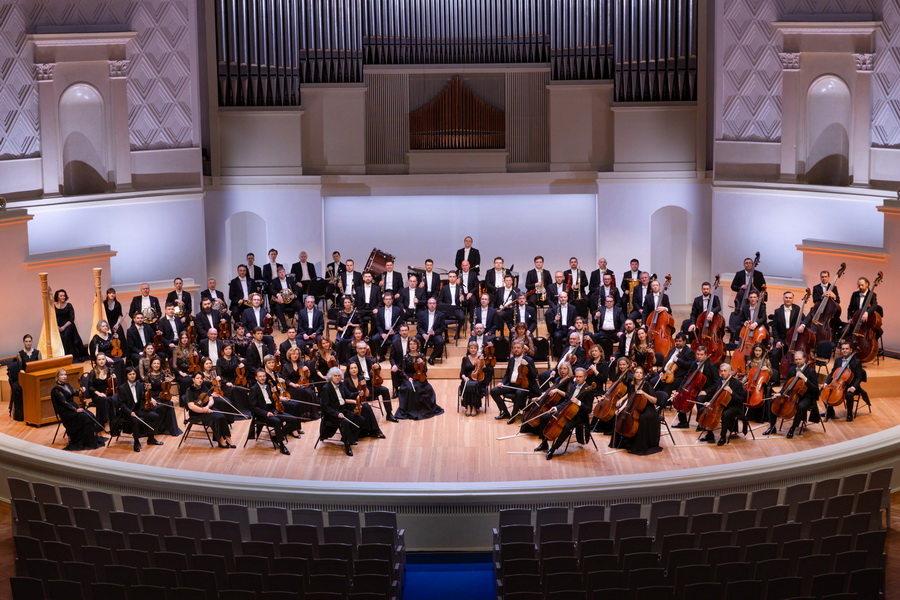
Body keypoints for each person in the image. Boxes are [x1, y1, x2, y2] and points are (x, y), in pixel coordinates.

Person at [534, 367, 596, 460]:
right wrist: (556, 407)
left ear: (585, 377)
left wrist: (578, 403)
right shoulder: (574, 386)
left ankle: (553, 449)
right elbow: (566, 401)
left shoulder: (589, 390)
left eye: (580, 377)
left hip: (579, 416)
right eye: (577, 376)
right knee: (544, 417)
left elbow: (588, 410)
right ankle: (544, 443)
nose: (578, 379)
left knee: (567, 426)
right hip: (566, 412)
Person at [762, 350, 820, 438]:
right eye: (796, 359)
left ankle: (793, 428)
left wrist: (805, 379)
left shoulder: (810, 371)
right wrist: (780, 393)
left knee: (800, 406)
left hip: (807, 396)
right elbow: (786, 384)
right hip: (792, 395)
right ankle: (772, 426)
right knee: (772, 401)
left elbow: (815, 389)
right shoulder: (792, 369)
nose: (798, 361)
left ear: (804, 359)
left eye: (800, 359)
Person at [609, 365, 663, 455]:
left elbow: (654, 400)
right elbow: (629, 399)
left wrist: (644, 393)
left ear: (643, 375)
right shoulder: (632, 384)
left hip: (648, 409)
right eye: (637, 372)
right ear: (634, 374)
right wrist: (621, 409)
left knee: (641, 418)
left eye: (640, 373)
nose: (638, 374)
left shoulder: (647, 385)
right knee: (620, 415)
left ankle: (639, 445)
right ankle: (624, 442)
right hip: (634, 407)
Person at [51, 368, 107, 451]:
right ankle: (82, 440)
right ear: (57, 377)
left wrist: (81, 390)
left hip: (73, 407)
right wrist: (76, 410)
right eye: (61, 375)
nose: (64, 376)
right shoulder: (56, 390)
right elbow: (64, 402)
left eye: (65, 374)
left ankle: (89, 439)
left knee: (90, 414)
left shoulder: (67, 385)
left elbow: (75, 393)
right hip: (66, 411)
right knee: (84, 417)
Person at [248, 369, 298, 455]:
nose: (262, 378)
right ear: (256, 378)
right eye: (260, 376)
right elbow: (252, 407)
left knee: (293, 419)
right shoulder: (253, 389)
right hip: (262, 414)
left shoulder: (268, 386)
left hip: (272, 410)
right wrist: (266, 413)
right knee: (277, 421)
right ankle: (282, 445)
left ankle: (277, 438)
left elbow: (272, 400)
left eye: (264, 376)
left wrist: (275, 394)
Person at [395, 338, 444, 420]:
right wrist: (408, 378)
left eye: (414, 344)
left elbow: (425, 370)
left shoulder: (422, 356)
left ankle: (424, 408)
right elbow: (403, 371)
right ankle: (412, 410)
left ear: (417, 345)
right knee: (411, 388)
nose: (412, 346)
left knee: (428, 388)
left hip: (420, 376)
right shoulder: (405, 357)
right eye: (411, 344)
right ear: (408, 346)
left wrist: (422, 363)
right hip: (409, 377)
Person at [319, 367, 364, 456]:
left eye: (339, 376)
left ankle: (347, 437)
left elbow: (348, 394)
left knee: (360, 420)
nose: (337, 377)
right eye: (335, 376)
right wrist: (337, 414)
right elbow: (325, 406)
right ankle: (347, 446)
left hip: (342, 409)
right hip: (332, 414)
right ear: (331, 377)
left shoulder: (341, 384)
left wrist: (357, 393)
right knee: (344, 422)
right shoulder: (326, 388)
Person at [670, 346, 719, 429]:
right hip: (694, 389)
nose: (699, 356)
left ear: (705, 355)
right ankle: (683, 422)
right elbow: (686, 377)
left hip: (706, 391)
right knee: (680, 397)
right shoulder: (694, 364)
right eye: (698, 354)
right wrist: (679, 390)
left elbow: (717, 383)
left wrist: (707, 391)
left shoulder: (712, 366)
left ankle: (701, 423)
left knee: (700, 399)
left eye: (701, 354)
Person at [346, 341, 396, 422]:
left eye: (364, 348)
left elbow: (378, 368)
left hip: (370, 384)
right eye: (360, 348)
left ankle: (389, 414)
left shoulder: (370, 358)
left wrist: (377, 366)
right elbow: (348, 375)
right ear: (357, 349)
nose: (363, 350)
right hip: (359, 386)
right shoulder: (351, 360)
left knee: (385, 390)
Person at [116, 367, 163, 452]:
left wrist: (150, 398)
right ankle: (136, 441)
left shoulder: (139, 384)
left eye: (134, 374)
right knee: (136, 421)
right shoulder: (122, 388)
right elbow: (121, 404)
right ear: (126, 376)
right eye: (130, 374)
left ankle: (151, 438)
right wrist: (130, 412)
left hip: (138, 410)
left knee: (155, 416)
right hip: (127, 412)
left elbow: (142, 396)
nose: (132, 376)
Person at [490, 340, 539, 422]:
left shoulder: (529, 360)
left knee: (519, 393)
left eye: (518, 348)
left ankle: (514, 415)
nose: (516, 349)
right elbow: (507, 375)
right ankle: (505, 412)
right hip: (512, 385)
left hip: (524, 386)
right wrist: (502, 382)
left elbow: (534, 375)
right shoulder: (511, 360)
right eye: (514, 348)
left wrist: (527, 365)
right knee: (493, 391)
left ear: (523, 349)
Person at [699, 363, 746, 446]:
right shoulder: (719, 381)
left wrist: (731, 392)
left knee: (725, 414)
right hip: (720, 404)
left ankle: (723, 437)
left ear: (730, 372)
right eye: (721, 371)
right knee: (703, 409)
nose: (723, 373)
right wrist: (710, 402)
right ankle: (709, 434)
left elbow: (741, 400)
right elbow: (715, 394)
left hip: (734, 406)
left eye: (725, 371)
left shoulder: (737, 383)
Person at [185, 371, 234, 448]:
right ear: (193, 379)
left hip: (207, 408)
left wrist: (207, 407)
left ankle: (228, 438)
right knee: (216, 418)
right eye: (197, 378)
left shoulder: (204, 387)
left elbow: (211, 400)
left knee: (222, 416)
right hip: (197, 413)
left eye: (201, 378)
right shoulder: (189, 390)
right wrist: (203, 410)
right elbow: (191, 406)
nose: (200, 380)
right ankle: (220, 440)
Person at [823, 340, 868, 422]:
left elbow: (859, 377)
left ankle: (849, 414)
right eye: (843, 349)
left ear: (851, 350)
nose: (844, 350)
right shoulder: (838, 360)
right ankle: (830, 412)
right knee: (823, 391)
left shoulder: (856, 362)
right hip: (838, 384)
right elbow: (832, 373)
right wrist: (826, 383)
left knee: (849, 394)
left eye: (847, 349)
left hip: (851, 385)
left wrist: (853, 387)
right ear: (841, 350)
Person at [342, 362, 387, 437]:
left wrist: (365, 386)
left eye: (355, 367)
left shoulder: (361, 378)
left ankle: (370, 430)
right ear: (349, 370)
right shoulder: (346, 381)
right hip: (351, 403)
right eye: (351, 368)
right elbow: (344, 398)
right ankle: (375, 430)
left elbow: (367, 394)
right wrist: (355, 402)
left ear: (358, 369)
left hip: (360, 402)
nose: (354, 370)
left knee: (366, 407)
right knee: (366, 407)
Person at [143, 356, 182, 436]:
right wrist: (151, 399)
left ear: (160, 365)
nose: (156, 365)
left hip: (162, 395)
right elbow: (145, 390)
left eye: (158, 363)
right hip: (151, 396)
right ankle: (156, 429)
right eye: (154, 363)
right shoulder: (147, 376)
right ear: (151, 365)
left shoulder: (164, 374)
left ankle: (168, 429)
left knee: (169, 404)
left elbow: (166, 388)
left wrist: (168, 382)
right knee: (157, 407)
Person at [10, 335, 40, 421]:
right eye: (26, 341)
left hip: (35, 377)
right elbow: (21, 369)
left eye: (29, 341)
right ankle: (23, 415)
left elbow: (40, 365)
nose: (28, 343)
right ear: (23, 342)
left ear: (32, 342)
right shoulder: (20, 354)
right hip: (25, 378)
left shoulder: (37, 352)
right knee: (19, 389)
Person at [53, 289, 89, 361]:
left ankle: (69, 355)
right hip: (57, 326)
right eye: (61, 296)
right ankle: (60, 356)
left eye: (64, 296)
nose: (63, 297)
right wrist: (57, 327)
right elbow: (52, 318)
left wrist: (63, 327)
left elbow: (71, 319)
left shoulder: (69, 305)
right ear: (57, 297)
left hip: (68, 325)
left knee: (65, 335)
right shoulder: (53, 306)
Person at [86, 353, 118, 427]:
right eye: (99, 359)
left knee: (112, 398)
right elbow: (90, 387)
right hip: (97, 395)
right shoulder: (93, 372)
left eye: (103, 359)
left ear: (105, 360)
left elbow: (113, 384)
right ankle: (106, 422)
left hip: (107, 393)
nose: (101, 361)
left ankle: (114, 422)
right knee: (104, 399)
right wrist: (99, 393)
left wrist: (114, 378)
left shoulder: (109, 370)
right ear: (96, 361)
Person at [270, 266, 302, 332]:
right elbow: (271, 289)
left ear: (285, 272)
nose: (282, 273)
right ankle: (285, 327)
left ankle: (301, 326)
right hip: (281, 301)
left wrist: (294, 295)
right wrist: (278, 295)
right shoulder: (274, 281)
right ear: (277, 274)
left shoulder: (290, 279)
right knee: (278, 308)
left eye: (283, 272)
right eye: (280, 272)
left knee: (299, 306)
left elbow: (296, 289)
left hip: (291, 300)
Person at [460, 342, 487, 416]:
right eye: (471, 348)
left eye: (475, 348)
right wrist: (464, 377)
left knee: (476, 384)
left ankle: (474, 406)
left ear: (477, 349)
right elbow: (462, 372)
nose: (473, 349)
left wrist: (483, 362)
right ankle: (468, 406)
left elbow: (485, 370)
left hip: (478, 378)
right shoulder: (465, 359)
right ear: (468, 349)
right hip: (467, 378)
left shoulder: (480, 358)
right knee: (467, 385)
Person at [416, 297, 446, 365]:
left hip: (434, 335)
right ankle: (421, 357)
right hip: (424, 334)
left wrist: (434, 332)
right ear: (427, 304)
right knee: (416, 339)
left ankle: (432, 357)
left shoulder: (441, 314)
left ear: (436, 304)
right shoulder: (422, 313)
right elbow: (418, 327)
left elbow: (442, 327)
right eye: (430, 303)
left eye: (433, 303)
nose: (432, 305)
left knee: (441, 342)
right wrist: (423, 334)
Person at [545, 291, 577, 356]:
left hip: (569, 328)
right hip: (559, 328)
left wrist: (574, 326)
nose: (563, 299)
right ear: (559, 298)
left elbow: (576, 319)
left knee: (571, 335)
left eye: (564, 297)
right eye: (561, 297)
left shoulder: (573, 308)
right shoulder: (554, 309)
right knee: (557, 336)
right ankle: (560, 355)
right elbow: (550, 323)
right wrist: (555, 321)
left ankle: (569, 354)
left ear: (567, 298)